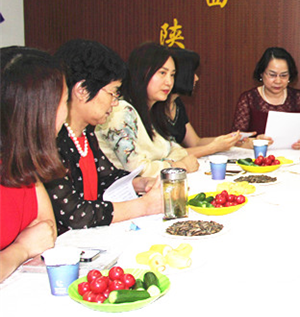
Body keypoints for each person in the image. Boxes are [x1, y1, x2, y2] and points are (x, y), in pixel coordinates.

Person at [45, 40, 163, 233]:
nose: (115, 103)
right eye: (113, 93)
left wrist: (141, 183)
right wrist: (144, 206)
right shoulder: (52, 142)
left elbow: (107, 178)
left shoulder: (86, 133)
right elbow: (76, 215)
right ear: (82, 91)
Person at [0, 48, 66, 282]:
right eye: (65, 102)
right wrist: (22, 249)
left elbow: (46, 231)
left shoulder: (19, 161)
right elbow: (34, 242)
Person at [96, 43, 199, 176]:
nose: (169, 82)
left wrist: (162, 163)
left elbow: (178, 151)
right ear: (142, 72)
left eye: (172, 75)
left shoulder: (154, 111)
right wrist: (177, 166)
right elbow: (136, 169)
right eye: (162, 73)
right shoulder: (120, 111)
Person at [231, 47, 300, 150]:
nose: (278, 81)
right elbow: (235, 140)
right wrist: (255, 141)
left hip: (291, 157)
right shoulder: (249, 99)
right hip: (258, 157)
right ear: (261, 73)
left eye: (283, 75)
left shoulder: (299, 98)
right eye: (272, 75)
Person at [166, 47, 242, 157]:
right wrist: (213, 148)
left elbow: (196, 142)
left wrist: (229, 140)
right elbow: (167, 155)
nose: (196, 78)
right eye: (192, 73)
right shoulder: (154, 107)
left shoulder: (176, 104)